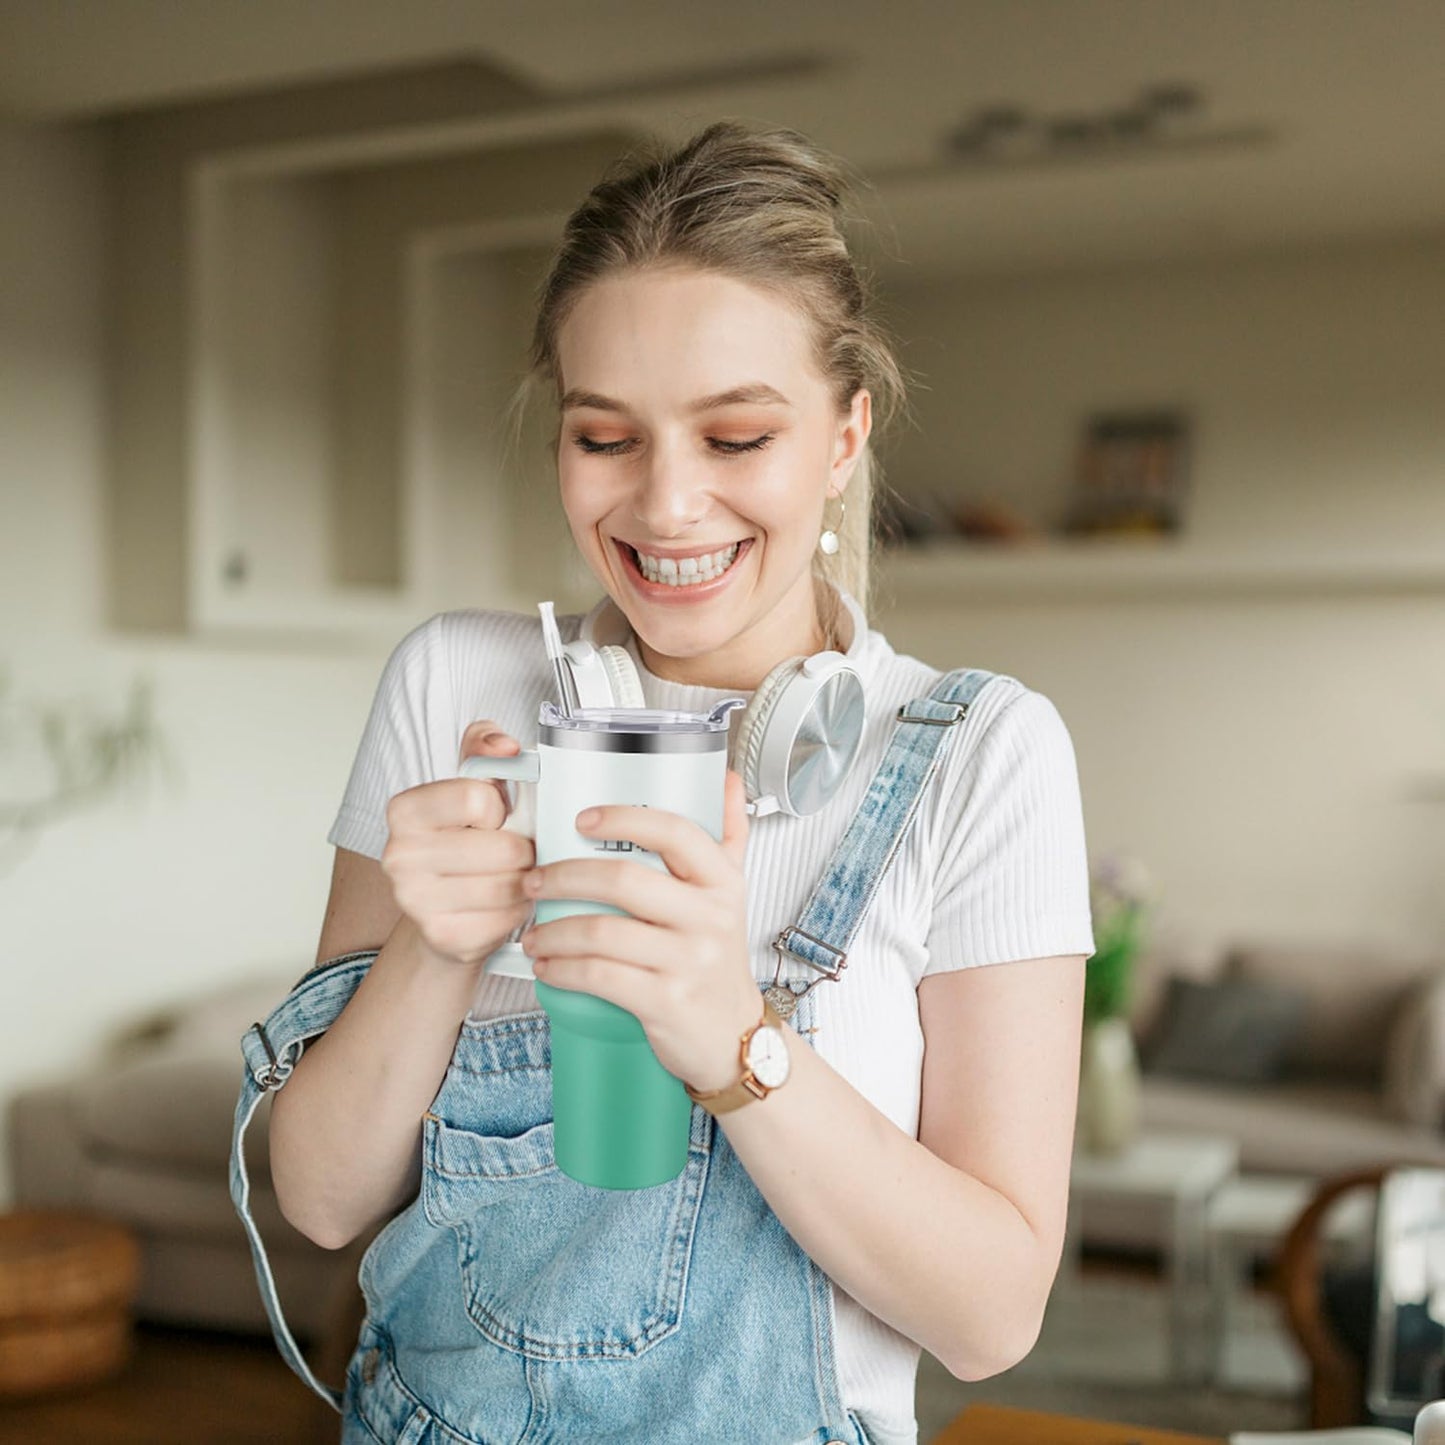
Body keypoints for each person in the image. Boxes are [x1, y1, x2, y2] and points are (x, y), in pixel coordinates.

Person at [247, 121, 1095, 1445]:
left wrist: (728, 1034)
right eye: (605, 436)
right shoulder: (454, 686)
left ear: (841, 435)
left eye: (736, 434)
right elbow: (316, 1193)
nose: (666, 502)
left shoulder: (981, 753)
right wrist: (435, 944)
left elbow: (991, 1317)